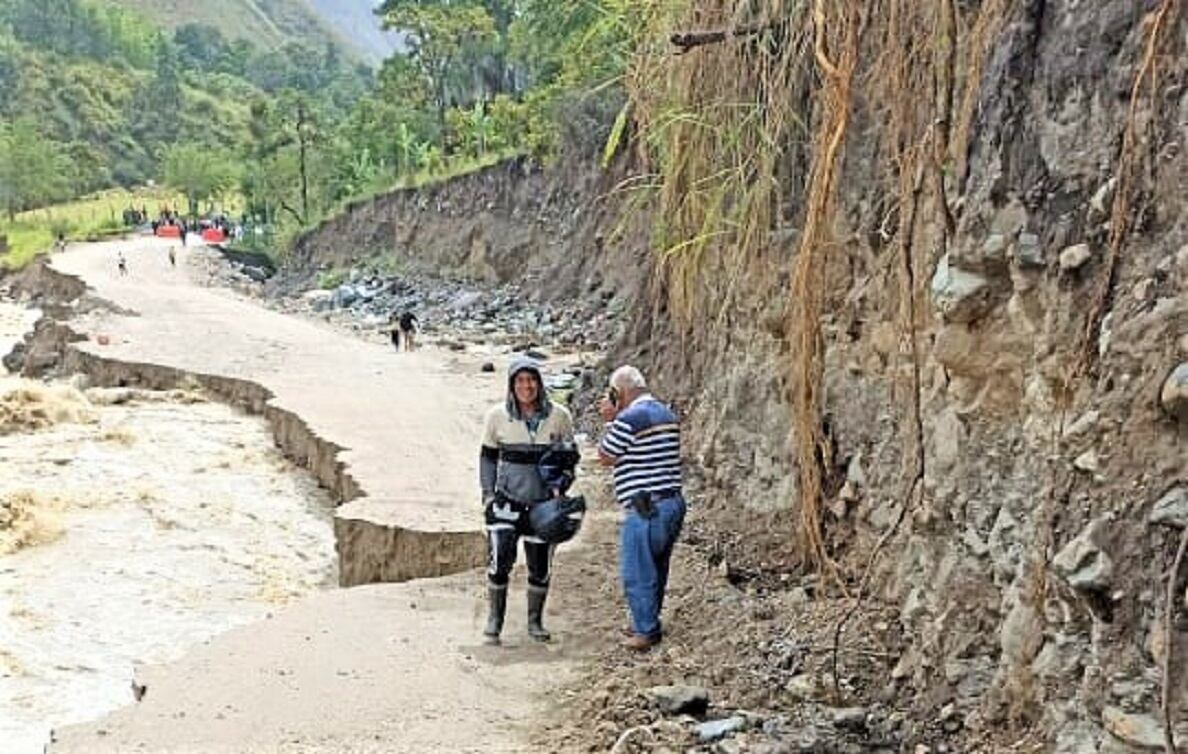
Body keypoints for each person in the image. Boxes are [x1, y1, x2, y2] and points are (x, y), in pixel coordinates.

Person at [480, 357, 576, 645]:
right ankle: (494, 620)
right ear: (512, 385)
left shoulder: (559, 416)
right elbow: (487, 458)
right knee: (499, 563)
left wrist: (562, 485)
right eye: (520, 381)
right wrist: (487, 495)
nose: (526, 386)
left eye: (531, 380)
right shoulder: (497, 416)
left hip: (543, 506)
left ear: (539, 383)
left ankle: (535, 622)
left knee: (540, 566)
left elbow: (568, 458)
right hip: (506, 503)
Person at [598, 365, 685, 651]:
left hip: (645, 506)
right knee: (657, 567)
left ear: (618, 392)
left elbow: (606, 455)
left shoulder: (629, 418)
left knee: (638, 570)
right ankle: (646, 620)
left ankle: (646, 630)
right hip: (671, 502)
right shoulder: (666, 413)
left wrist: (610, 420)